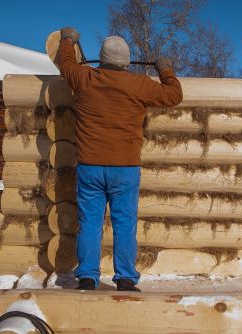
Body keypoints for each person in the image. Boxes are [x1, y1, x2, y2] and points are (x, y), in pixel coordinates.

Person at [57, 27, 183, 291]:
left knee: (90, 223)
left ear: (102, 59)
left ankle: (88, 277)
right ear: (126, 61)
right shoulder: (138, 84)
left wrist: (68, 39)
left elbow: (65, 62)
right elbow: (174, 95)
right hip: (124, 169)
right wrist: (165, 69)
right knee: (124, 224)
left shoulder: (84, 77)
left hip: (90, 166)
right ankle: (125, 278)